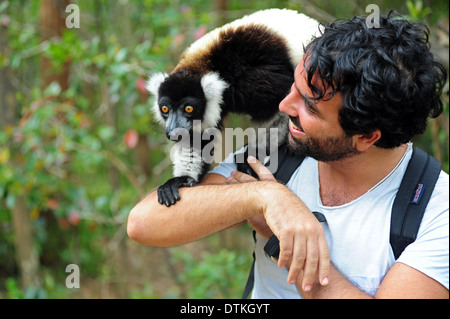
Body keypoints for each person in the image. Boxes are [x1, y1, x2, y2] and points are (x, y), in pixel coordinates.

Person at [127, 13, 449, 298]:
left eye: (308, 106)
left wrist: (285, 241)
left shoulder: (435, 212)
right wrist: (265, 196)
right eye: (292, 88)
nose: (283, 106)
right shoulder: (277, 154)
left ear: (365, 136)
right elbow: (144, 223)